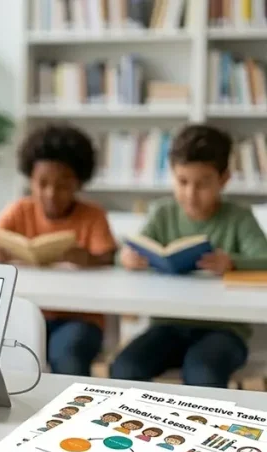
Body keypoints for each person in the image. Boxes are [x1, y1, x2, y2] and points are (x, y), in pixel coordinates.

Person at [112, 124, 267, 387]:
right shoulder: (163, 213)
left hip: (224, 330)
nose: (191, 194)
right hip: (167, 325)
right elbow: (127, 253)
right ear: (172, 175)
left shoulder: (239, 218)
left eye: (203, 184)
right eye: (182, 182)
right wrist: (126, 258)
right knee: (124, 367)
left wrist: (232, 262)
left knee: (202, 372)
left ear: (224, 179)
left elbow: (264, 259)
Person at [0, 123, 115, 377]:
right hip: (28, 311)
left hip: (80, 319)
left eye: (62, 185)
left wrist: (86, 258)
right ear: (31, 179)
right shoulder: (20, 210)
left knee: (68, 357)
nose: (50, 193)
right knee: (7, 356)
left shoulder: (92, 216)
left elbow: (109, 257)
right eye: (42, 183)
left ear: (78, 183)